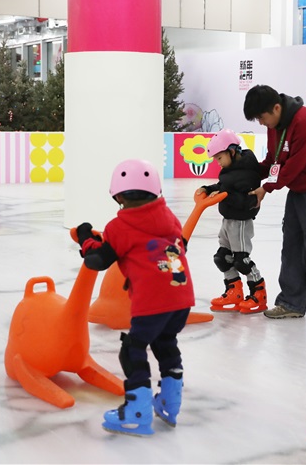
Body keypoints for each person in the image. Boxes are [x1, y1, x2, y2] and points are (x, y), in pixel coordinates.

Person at [75, 159, 194, 436]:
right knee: (166, 342)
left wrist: (84, 239)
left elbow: (96, 260)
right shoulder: (170, 218)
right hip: (182, 295)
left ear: (118, 196)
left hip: (152, 300)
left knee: (133, 348)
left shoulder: (120, 227)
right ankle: (169, 401)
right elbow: (181, 246)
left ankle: (138, 410)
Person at [243, 85, 306, 319]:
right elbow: (273, 159)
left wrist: (265, 188)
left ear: (276, 107)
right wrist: (247, 173)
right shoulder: (274, 124)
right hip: (299, 190)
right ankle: (291, 302)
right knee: (291, 246)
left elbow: (293, 167)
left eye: (262, 117)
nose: (261, 123)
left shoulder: (305, 122)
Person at [197, 129, 267, 315]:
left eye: (219, 158)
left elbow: (247, 202)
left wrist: (223, 196)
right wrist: (207, 188)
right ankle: (234, 291)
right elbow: (223, 186)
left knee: (241, 261)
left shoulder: (248, 174)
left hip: (241, 223)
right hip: (227, 220)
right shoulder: (230, 171)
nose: (217, 162)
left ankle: (258, 292)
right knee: (221, 257)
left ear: (232, 151)